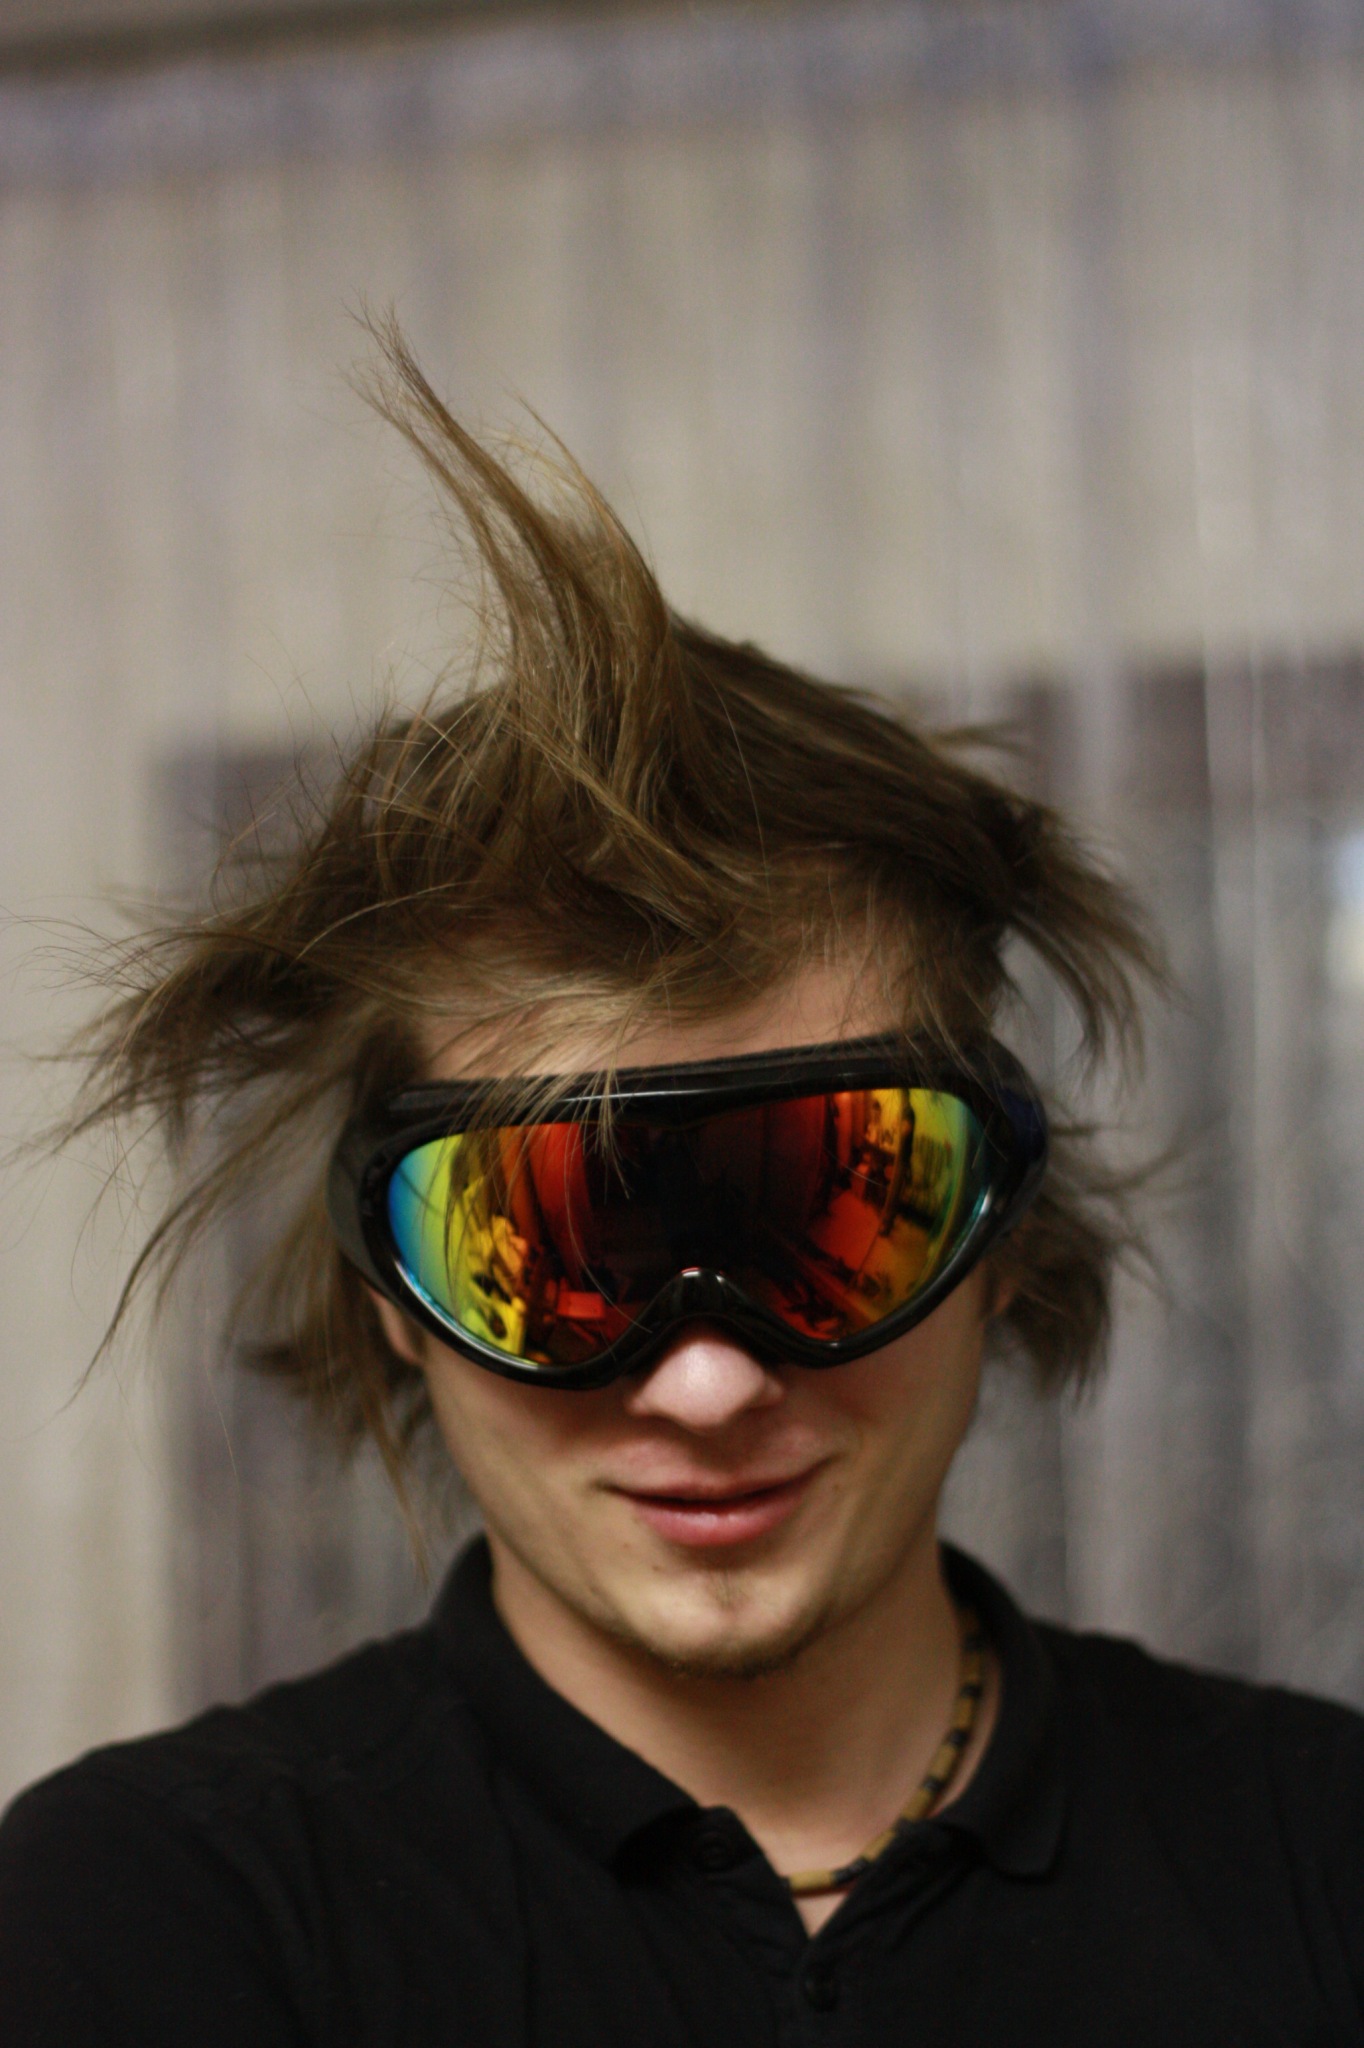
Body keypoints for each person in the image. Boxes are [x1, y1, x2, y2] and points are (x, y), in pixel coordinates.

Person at [2, 328, 1362, 2046]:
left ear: (1001, 1243)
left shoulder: (1324, 1863)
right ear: (389, 1302)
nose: (708, 1385)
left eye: (839, 1209)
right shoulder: (151, 1920)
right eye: (552, 1242)